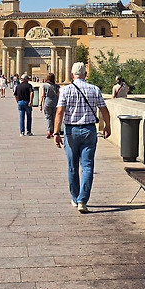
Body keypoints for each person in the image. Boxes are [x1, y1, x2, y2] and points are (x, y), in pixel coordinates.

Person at [54, 63, 111, 213]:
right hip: (89, 130)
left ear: (72, 75)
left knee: (72, 167)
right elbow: (104, 110)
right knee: (87, 166)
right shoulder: (94, 89)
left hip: (71, 131)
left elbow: (59, 112)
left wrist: (56, 132)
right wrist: (107, 126)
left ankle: (75, 198)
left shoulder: (65, 90)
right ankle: (82, 200)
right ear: (86, 74)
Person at [40, 72, 60, 139]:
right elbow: (58, 95)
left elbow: (42, 95)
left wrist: (40, 104)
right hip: (55, 103)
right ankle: (54, 131)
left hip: (47, 102)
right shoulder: (56, 86)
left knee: (48, 117)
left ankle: (49, 131)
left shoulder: (44, 86)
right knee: (54, 117)